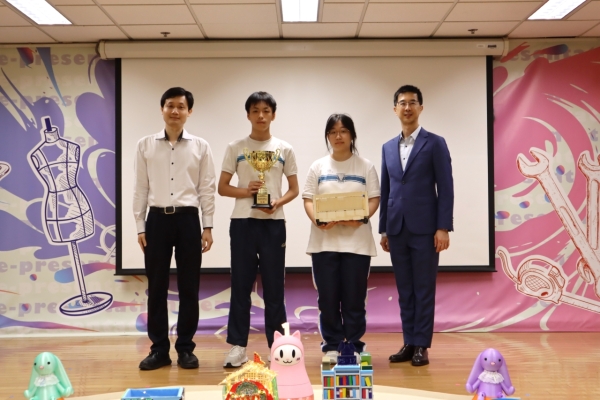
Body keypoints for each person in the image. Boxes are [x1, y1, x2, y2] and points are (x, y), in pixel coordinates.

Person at [133, 87, 216, 370]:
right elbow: (140, 188)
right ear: (162, 109)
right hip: (156, 220)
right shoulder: (145, 145)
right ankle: (158, 350)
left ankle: (185, 349)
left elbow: (206, 188)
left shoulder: (201, 146)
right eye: (170, 105)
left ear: (189, 111)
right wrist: (140, 226)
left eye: (181, 106)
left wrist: (207, 226)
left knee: (189, 287)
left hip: (188, 220)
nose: (175, 111)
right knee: (156, 287)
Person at [218, 91, 299, 368]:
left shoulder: (284, 149)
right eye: (255, 110)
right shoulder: (236, 147)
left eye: (266, 110)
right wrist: (246, 191)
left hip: (273, 224)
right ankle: (238, 346)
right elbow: (222, 187)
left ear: (273, 115)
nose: (261, 115)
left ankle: (277, 346)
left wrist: (277, 202)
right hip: (242, 223)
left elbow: (294, 189)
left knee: (274, 288)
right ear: (248, 115)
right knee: (240, 286)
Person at [379, 85, 453, 367]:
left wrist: (443, 227)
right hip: (397, 229)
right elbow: (386, 190)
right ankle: (409, 342)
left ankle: (422, 344)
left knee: (423, 289)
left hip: (425, 229)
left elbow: (446, 188)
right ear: (395, 109)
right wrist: (384, 229)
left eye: (412, 102)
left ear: (420, 108)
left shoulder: (435, 143)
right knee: (405, 290)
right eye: (402, 103)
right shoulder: (388, 147)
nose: (407, 107)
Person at [302, 114, 380, 363]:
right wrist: (318, 220)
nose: (338, 136)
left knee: (354, 299)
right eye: (333, 132)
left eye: (344, 131)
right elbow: (308, 199)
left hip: (357, 244)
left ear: (352, 135)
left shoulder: (365, 166)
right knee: (327, 298)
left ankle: (354, 345)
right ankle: (332, 345)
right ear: (327, 136)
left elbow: (374, 198)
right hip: (324, 243)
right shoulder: (318, 167)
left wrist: (362, 217)